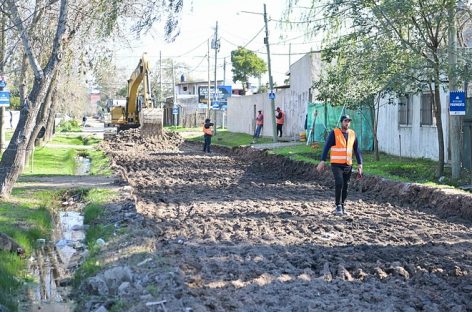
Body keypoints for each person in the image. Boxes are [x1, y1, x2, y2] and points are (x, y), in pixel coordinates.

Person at [316, 115, 363, 216]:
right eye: (345, 121)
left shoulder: (352, 133)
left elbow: (357, 150)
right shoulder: (334, 133)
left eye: (349, 121)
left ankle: (342, 205)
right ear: (341, 122)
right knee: (339, 183)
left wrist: (360, 164)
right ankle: (338, 206)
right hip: (336, 164)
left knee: (346, 186)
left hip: (348, 164)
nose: (347, 123)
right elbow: (326, 146)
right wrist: (322, 161)